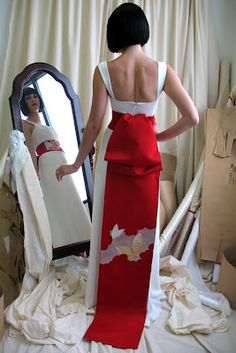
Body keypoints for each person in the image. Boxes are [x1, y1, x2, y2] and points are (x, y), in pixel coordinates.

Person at [56, 3, 199, 349]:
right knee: (144, 227)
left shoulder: (105, 70)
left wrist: (76, 164)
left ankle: (105, 294)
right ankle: (140, 295)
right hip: (146, 157)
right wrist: (158, 136)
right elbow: (192, 116)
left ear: (116, 32)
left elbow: (93, 124)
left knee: (109, 224)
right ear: (142, 30)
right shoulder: (162, 70)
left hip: (113, 156)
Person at [20, 87, 91, 249]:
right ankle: (62, 244)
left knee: (70, 197)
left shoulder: (45, 123)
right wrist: (35, 173)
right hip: (47, 164)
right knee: (56, 201)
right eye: (28, 98)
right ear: (24, 103)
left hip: (61, 159)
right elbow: (31, 150)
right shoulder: (26, 124)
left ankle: (82, 240)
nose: (33, 100)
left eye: (35, 96)